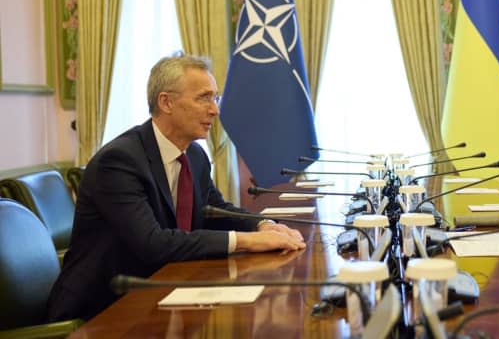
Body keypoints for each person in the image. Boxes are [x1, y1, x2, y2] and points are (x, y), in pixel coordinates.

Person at [47, 54, 306, 321]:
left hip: (159, 289)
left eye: (215, 98)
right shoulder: (118, 162)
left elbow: (213, 210)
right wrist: (249, 242)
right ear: (166, 102)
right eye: (203, 98)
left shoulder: (194, 155)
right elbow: (153, 243)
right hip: (103, 308)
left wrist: (262, 225)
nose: (215, 110)